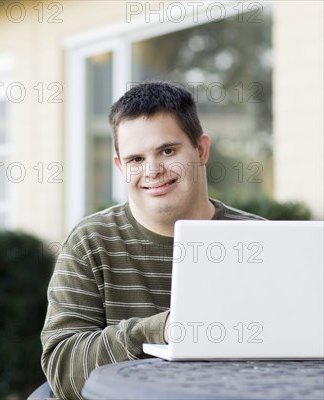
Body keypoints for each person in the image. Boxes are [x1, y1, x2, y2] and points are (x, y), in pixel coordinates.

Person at [40, 81, 264, 399]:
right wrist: (160, 330)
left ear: (201, 150)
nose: (153, 170)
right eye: (135, 160)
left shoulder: (259, 242)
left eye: (167, 151)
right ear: (120, 166)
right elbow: (64, 370)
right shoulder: (90, 243)